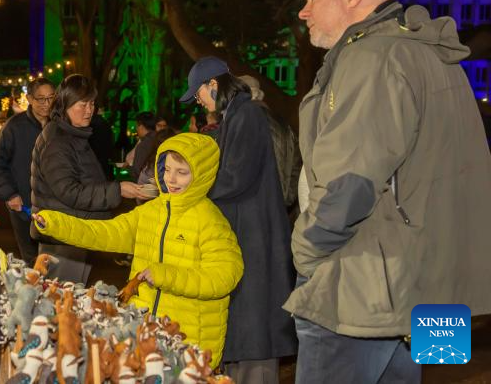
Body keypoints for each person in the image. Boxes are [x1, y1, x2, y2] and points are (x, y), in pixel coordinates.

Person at [289, 0, 491, 384]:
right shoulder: (434, 54)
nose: (304, 11)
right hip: (435, 288)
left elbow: (349, 181)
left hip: (364, 285)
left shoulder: (374, 59)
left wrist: (306, 253)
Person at [33, 133, 243, 370]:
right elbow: (106, 232)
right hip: (145, 332)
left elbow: (225, 277)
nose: (171, 179)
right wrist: (55, 223)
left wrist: (166, 276)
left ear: (201, 175)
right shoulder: (150, 212)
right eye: (167, 169)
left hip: (189, 340)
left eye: (182, 172)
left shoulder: (211, 222)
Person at [180, 56, 296, 383]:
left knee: (255, 332)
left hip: (254, 239)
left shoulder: (247, 115)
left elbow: (235, 177)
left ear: (213, 85)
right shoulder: (238, 114)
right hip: (249, 235)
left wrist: (191, 190)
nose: (199, 101)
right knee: (246, 331)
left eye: (198, 94)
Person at [30, 74, 145, 283]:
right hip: (63, 236)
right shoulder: (58, 141)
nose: (89, 110)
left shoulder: (72, 134)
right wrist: (117, 190)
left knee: (69, 300)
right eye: (82, 104)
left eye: (92, 103)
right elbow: (69, 192)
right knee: (60, 300)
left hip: (73, 231)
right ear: (64, 104)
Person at [0, 78, 55, 265]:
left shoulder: (59, 125)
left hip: (57, 207)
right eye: (40, 99)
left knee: (55, 263)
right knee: (32, 262)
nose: (46, 104)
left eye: (50, 98)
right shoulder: (14, 127)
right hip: (25, 206)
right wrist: (10, 194)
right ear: (30, 99)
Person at [238, 74, 301, 211]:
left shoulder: (244, 123)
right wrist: (287, 197)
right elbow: (296, 163)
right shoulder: (284, 124)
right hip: (279, 210)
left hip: (252, 210)